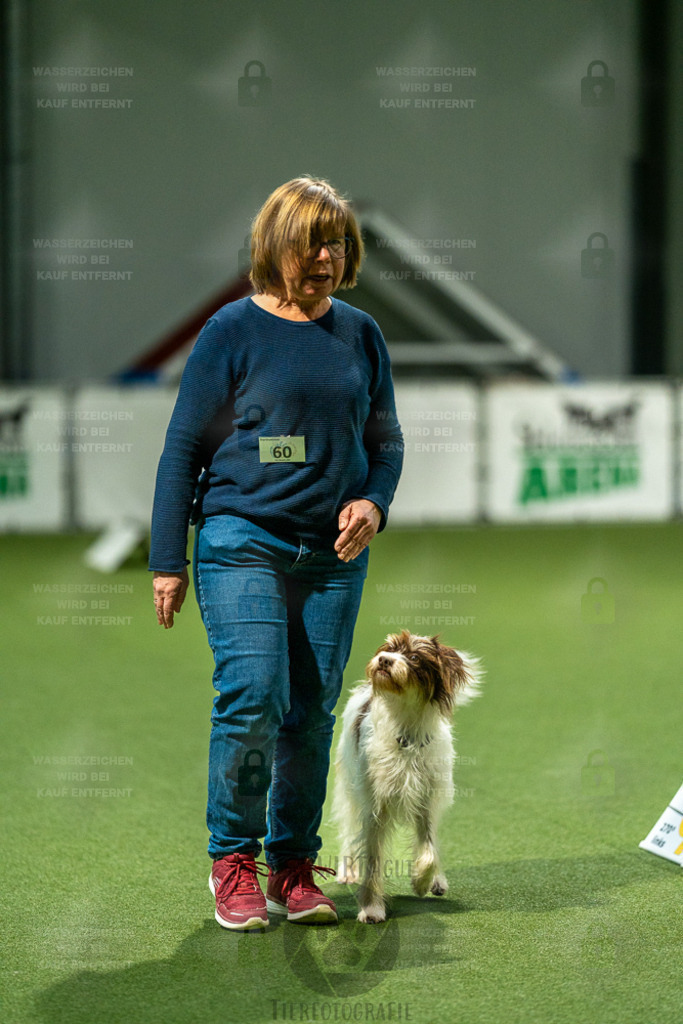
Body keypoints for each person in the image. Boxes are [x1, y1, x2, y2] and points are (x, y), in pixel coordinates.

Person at [149, 175, 404, 930]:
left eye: (337, 244)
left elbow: (384, 441)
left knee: (310, 711)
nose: (325, 257)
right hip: (240, 540)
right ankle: (233, 862)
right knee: (254, 693)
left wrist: (375, 502)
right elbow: (181, 450)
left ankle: (293, 868)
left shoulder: (360, 333)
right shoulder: (229, 330)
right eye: (310, 243)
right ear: (275, 247)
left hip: (332, 556)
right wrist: (170, 559)